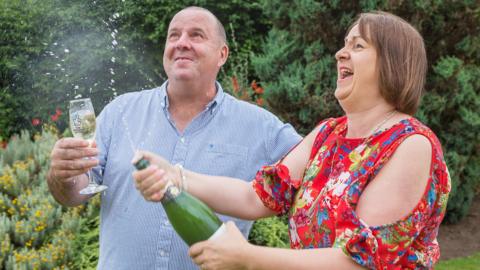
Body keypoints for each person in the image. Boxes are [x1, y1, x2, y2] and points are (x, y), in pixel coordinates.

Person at [133, 11, 451, 269]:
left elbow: (359, 262)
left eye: (357, 46)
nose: (340, 53)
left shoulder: (411, 145)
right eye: (344, 44)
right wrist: (177, 176)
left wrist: (249, 257)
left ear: (392, 62)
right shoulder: (328, 134)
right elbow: (256, 197)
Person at [46, 6, 301, 270]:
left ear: (222, 54)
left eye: (196, 35)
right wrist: (62, 175)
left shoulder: (261, 127)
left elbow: (322, 173)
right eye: (174, 35)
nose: (182, 43)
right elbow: (73, 194)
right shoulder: (119, 112)